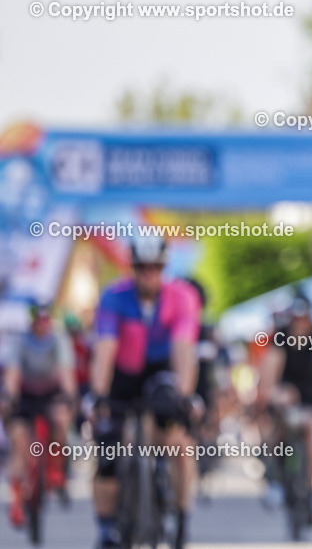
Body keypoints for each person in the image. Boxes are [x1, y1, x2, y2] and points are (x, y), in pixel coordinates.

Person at [89, 235, 201, 549]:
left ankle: (180, 514)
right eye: (141, 267)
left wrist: (185, 393)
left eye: (154, 267)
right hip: (123, 374)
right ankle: (106, 527)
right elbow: (105, 348)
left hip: (160, 371)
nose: (148, 273)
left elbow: (183, 348)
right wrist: (98, 394)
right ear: (133, 267)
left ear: (163, 267)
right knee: (107, 449)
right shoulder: (114, 296)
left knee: (176, 437)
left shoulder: (181, 296)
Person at [255, 291, 312, 520]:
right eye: (296, 318)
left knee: (311, 441)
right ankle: (275, 477)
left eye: (304, 318)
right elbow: (269, 375)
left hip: (311, 397)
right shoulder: (280, 337)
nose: (300, 323)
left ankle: (310, 492)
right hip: (285, 395)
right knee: (277, 433)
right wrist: (275, 393)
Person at [1, 302, 76, 528]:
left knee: (61, 420)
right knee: (19, 442)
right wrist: (9, 396)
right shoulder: (21, 341)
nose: (42, 326)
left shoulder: (59, 339)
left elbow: (66, 371)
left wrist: (69, 396)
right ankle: (16, 500)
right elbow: (12, 373)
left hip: (51, 394)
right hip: (25, 396)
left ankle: (56, 468)